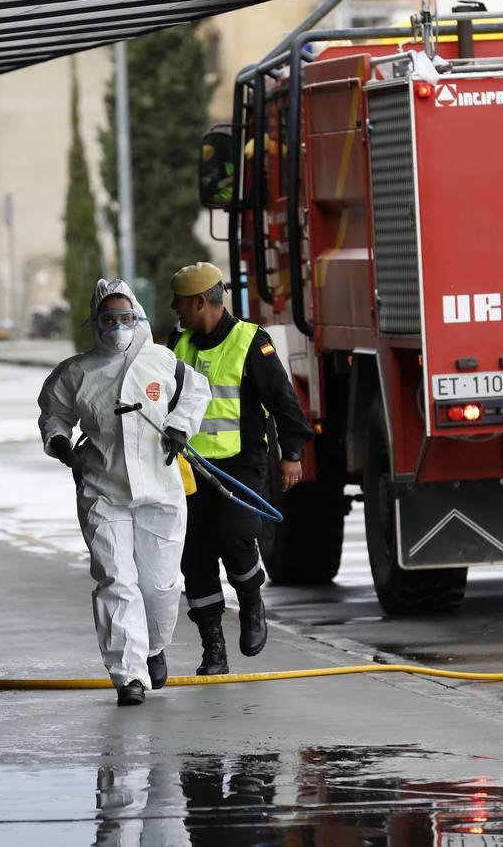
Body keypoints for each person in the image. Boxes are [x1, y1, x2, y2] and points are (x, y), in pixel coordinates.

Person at [38, 279, 210, 706]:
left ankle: (153, 647)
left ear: (139, 319)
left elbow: (196, 393)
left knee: (159, 586)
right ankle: (127, 674)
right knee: (116, 581)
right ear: (95, 322)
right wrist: (61, 446)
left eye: (125, 318)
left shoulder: (162, 363)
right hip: (103, 490)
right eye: (109, 319)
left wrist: (180, 427)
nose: (118, 326)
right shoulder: (77, 371)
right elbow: (53, 415)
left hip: (161, 492)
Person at [169, 262, 312, 675]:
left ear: (200, 301)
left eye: (179, 302)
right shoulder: (177, 341)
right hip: (187, 468)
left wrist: (292, 454)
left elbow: (284, 401)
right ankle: (213, 647)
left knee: (234, 537)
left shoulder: (251, 341)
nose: (174, 309)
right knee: (194, 558)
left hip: (240, 465)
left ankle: (251, 599)